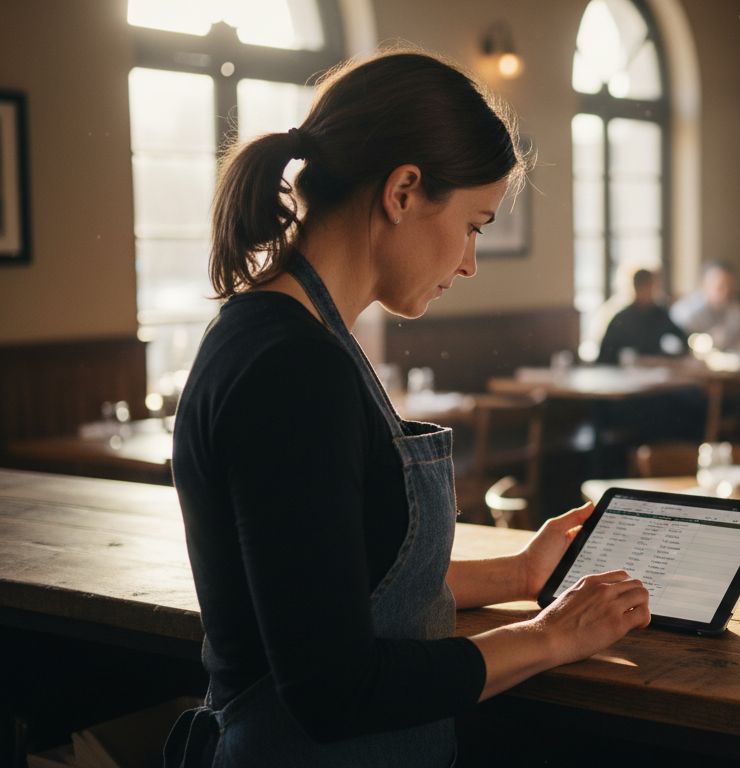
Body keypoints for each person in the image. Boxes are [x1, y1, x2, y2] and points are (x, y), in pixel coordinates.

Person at [167, 51, 650, 767]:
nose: (468, 262)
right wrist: (551, 636)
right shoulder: (294, 372)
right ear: (403, 191)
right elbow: (337, 689)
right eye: (474, 224)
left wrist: (520, 574)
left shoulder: (282, 334)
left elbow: (340, 583)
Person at [597, 268, 687, 364]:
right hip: (625, 375)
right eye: (651, 287)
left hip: (659, 373)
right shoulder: (621, 320)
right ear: (637, 288)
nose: (656, 292)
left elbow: (682, 341)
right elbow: (606, 355)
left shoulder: (660, 316)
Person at [670, 260, 740, 349]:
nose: (726, 292)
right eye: (720, 287)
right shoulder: (686, 311)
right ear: (703, 285)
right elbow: (680, 345)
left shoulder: (737, 306)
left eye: (730, 286)